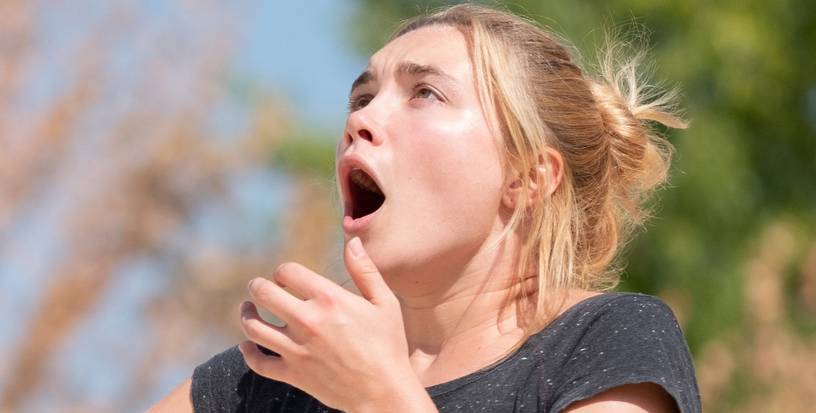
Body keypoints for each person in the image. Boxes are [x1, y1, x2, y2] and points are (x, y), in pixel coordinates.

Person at [149, 3, 700, 412]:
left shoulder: (604, 341)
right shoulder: (274, 374)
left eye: (425, 93)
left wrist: (378, 398)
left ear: (528, 178)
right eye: (362, 97)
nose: (359, 120)